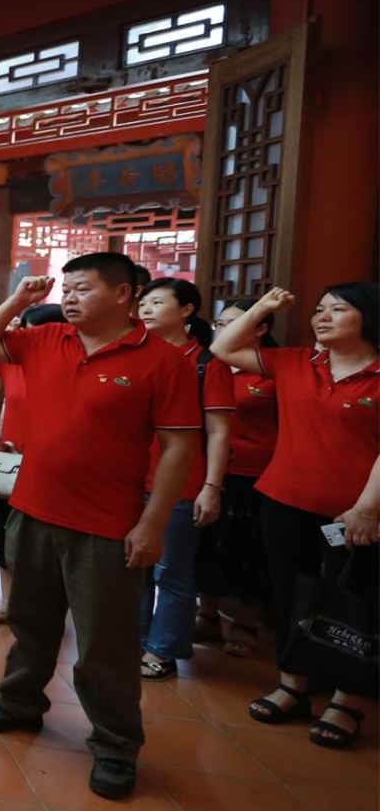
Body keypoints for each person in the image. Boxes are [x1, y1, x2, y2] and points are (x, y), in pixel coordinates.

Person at [0, 254, 200, 801]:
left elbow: (178, 447)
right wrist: (20, 299)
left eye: (83, 289)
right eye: (65, 289)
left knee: (104, 643)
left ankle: (116, 744)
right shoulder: (46, 340)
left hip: (106, 523)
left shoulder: (162, 361)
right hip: (33, 509)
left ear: (124, 294)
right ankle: (20, 703)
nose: (69, 297)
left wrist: (153, 522)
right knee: (30, 621)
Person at [213, 283, 380, 749]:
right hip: (283, 499)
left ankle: (347, 700)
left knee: (354, 602)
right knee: (289, 593)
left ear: (369, 317)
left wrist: (368, 508)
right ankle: (293, 684)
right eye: (318, 310)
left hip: (354, 511)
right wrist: (263, 307)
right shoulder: (295, 362)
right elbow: (223, 347)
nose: (321, 318)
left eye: (338, 310)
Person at [135, 278, 234, 682]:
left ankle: (163, 649)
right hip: (129, 477)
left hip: (180, 481)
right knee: (133, 567)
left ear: (187, 310)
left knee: (171, 571)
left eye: (157, 302)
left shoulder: (207, 363)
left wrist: (212, 487)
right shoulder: (137, 354)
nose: (145, 309)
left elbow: (219, 432)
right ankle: (135, 640)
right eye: (143, 302)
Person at [0, 301, 65, 625]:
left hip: (51, 463)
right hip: (10, 460)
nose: (27, 338)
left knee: (47, 540)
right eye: (24, 331)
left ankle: (45, 607)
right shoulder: (10, 363)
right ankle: (8, 605)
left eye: (33, 332)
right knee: (7, 532)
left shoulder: (68, 366)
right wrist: (6, 321)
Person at [196, 300, 279, 656]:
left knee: (250, 547)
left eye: (233, 323)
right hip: (208, 469)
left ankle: (245, 621)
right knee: (207, 542)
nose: (223, 330)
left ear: (260, 328)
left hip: (257, 472)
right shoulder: (209, 365)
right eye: (220, 323)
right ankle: (207, 613)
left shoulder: (274, 369)